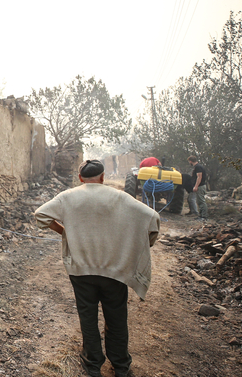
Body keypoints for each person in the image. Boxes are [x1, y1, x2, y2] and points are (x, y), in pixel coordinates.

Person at [34, 160, 160, 377]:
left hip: (81, 270)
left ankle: (93, 365)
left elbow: (41, 215)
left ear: (81, 178)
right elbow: (153, 218)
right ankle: (121, 366)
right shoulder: (119, 197)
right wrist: (144, 243)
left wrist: (64, 231)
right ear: (102, 178)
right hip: (114, 270)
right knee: (117, 317)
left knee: (88, 316)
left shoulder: (68, 197)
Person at [187, 155, 208, 220]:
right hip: (200, 186)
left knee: (201, 201)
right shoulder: (197, 166)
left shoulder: (198, 167)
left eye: (189, 162)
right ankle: (201, 215)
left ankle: (204, 216)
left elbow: (199, 177)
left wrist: (196, 186)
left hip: (200, 186)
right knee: (199, 201)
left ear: (190, 161)